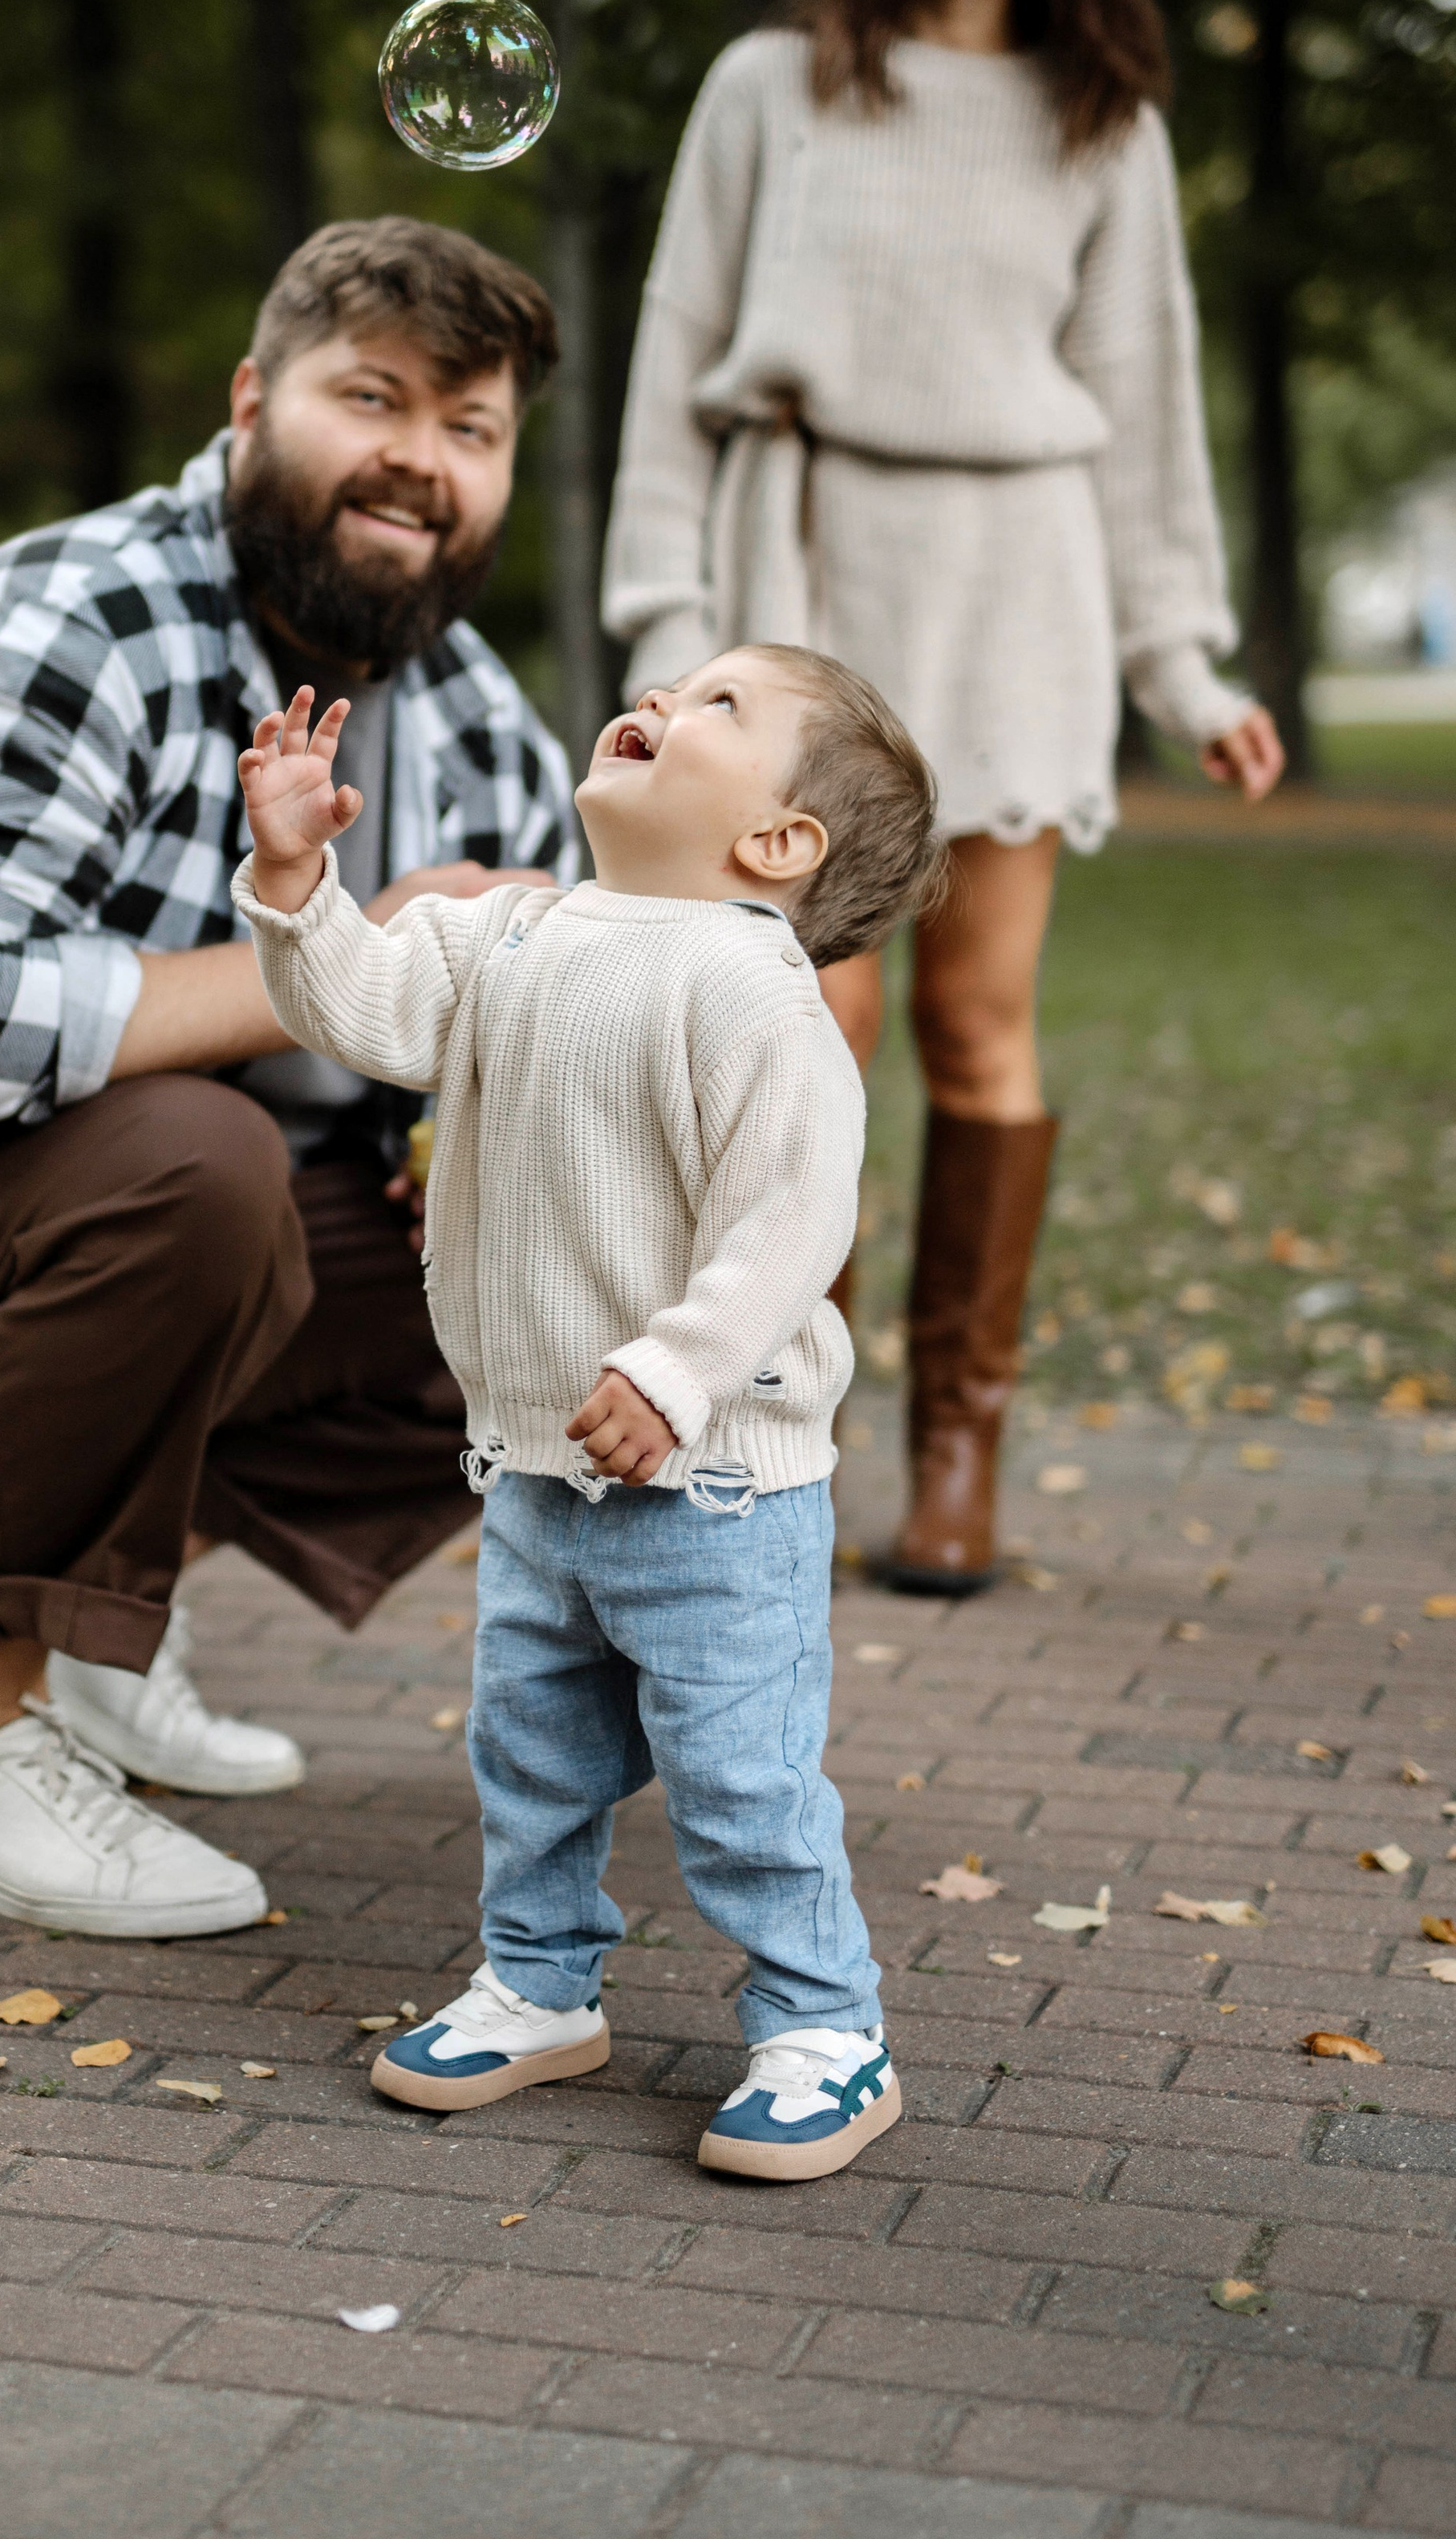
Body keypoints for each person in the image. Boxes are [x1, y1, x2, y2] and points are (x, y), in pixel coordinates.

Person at [0, 218, 574, 1937]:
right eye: (370, 398)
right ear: (249, 403)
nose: (419, 462)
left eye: (470, 427)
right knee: (196, 1161)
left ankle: (90, 1635)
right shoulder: (75, 618)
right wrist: (339, 956)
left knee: (560, 1257)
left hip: (132, 1212)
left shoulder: (480, 721)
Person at [600, 0, 1286, 1598]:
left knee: (975, 1026)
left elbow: (1142, 414)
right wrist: (670, 635)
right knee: (799, 1026)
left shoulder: (1101, 120)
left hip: (1012, 592)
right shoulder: (767, 87)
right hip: (800, 584)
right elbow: (670, 363)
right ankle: (778, 1430)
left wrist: (1185, 670)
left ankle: (957, 1453)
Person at [234, 644, 942, 2181]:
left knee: (742, 1776)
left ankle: (826, 2027)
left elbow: (791, 1222)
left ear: (779, 842)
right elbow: (362, 1009)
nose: (664, 700)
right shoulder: (515, 930)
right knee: (532, 1755)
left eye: (721, 707)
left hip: (718, 1486)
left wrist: (678, 1373)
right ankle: (540, 1986)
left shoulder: (754, 992)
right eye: (673, 683)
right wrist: (297, 881)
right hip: (542, 1471)